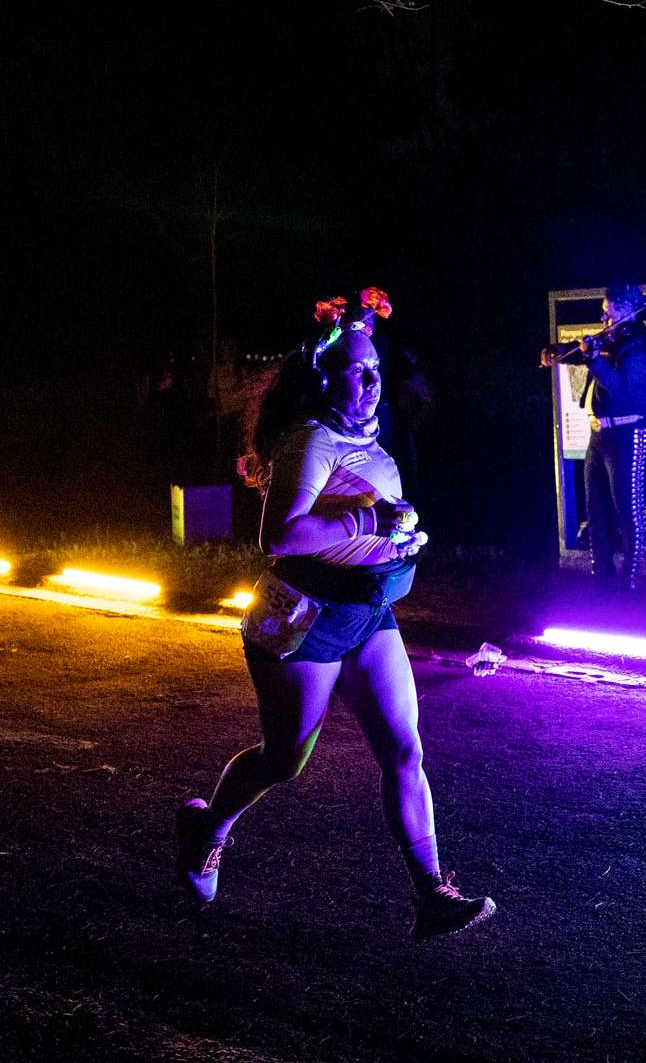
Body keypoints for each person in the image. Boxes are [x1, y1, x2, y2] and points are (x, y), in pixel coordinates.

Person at [178, 290, 495, 940]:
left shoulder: (373, 444)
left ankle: (431, 892)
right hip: (305, 618)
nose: (373, 381)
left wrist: (401, 545)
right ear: (326, 376)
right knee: (283, 761)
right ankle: (208, 827)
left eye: (377, 369)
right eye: (357, 369)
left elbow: (367, 531)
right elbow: (280, 536)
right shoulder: (311, 441)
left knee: (404, 750)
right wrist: (370, 520)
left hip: (368, 614)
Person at [542, 283, 646, 589]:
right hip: (601, 435)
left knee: (628, 510)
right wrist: (558, 352)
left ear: (628, 311)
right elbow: (584, 353)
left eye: (610, 313)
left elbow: (622, 390)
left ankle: (630, 584)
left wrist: (595, 359)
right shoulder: (614, 338)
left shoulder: (638, 344)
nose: (605, 320)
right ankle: (601, 578)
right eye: (604, 313)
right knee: (594, 508)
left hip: (628, 433)